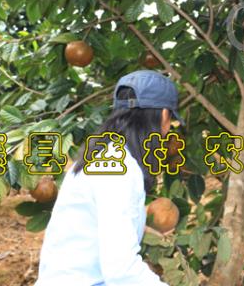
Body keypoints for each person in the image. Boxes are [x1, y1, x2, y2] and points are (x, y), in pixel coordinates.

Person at [35, 70, 183, 285]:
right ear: (162, 115)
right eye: (170, 120)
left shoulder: (102, 154)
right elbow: (121, 271)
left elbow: (100, 217)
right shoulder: (120, 171)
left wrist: (142, 228)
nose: (168, 129)